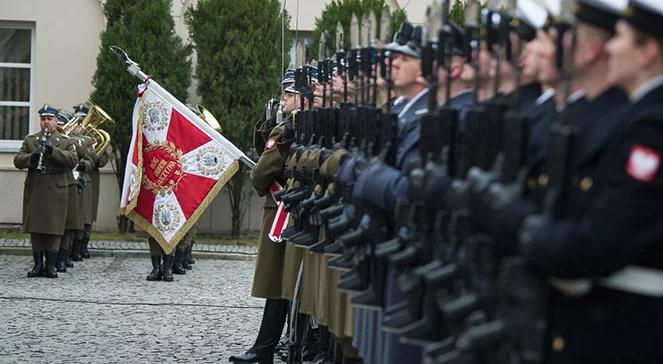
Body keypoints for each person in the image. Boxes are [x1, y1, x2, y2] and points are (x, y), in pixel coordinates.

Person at [230, 72, 297, 364]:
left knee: (279, 283)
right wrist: (266, 128)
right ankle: (270, 345)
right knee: (284, 285)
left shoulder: (288, 130)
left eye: (289, 94)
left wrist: (274, 133)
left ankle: (268, 347)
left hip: (280, 210)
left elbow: (260, 174)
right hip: (289, 210)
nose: (283, 99)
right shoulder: (288, 128)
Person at [13, 105, 78, 278]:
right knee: (36, 228)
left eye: (49, 119)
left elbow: (72, 160)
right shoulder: (31, 140)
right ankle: (37, 265)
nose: (46, 123)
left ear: (56, 121)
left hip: (56, 188)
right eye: (43, 119)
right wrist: (32, 157)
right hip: (36, 187)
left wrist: (52, 151)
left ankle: (50, 266)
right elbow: (18, 160)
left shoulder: (66, 140)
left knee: (54, 228)